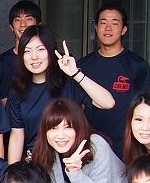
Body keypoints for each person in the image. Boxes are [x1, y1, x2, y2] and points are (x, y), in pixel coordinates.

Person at [6, 24, 114, 163]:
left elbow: (107, 103)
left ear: (51, 51)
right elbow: (17, 135)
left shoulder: (68, 82)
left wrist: (75, 73)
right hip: (37, 162)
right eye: (27, 51)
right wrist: (12, 172)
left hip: (72, 159)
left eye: (41, 49)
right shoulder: (18, 89)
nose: (34, 57)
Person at [77, 4, 150, 159]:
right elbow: (78, 107)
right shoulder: (82, 66)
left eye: (114, 23)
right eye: (103, 23)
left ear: (124, 29)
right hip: (91, 147)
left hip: (126, 147)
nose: (108, 28)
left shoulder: (137, 65)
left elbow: (144, 107)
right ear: (96, 27)